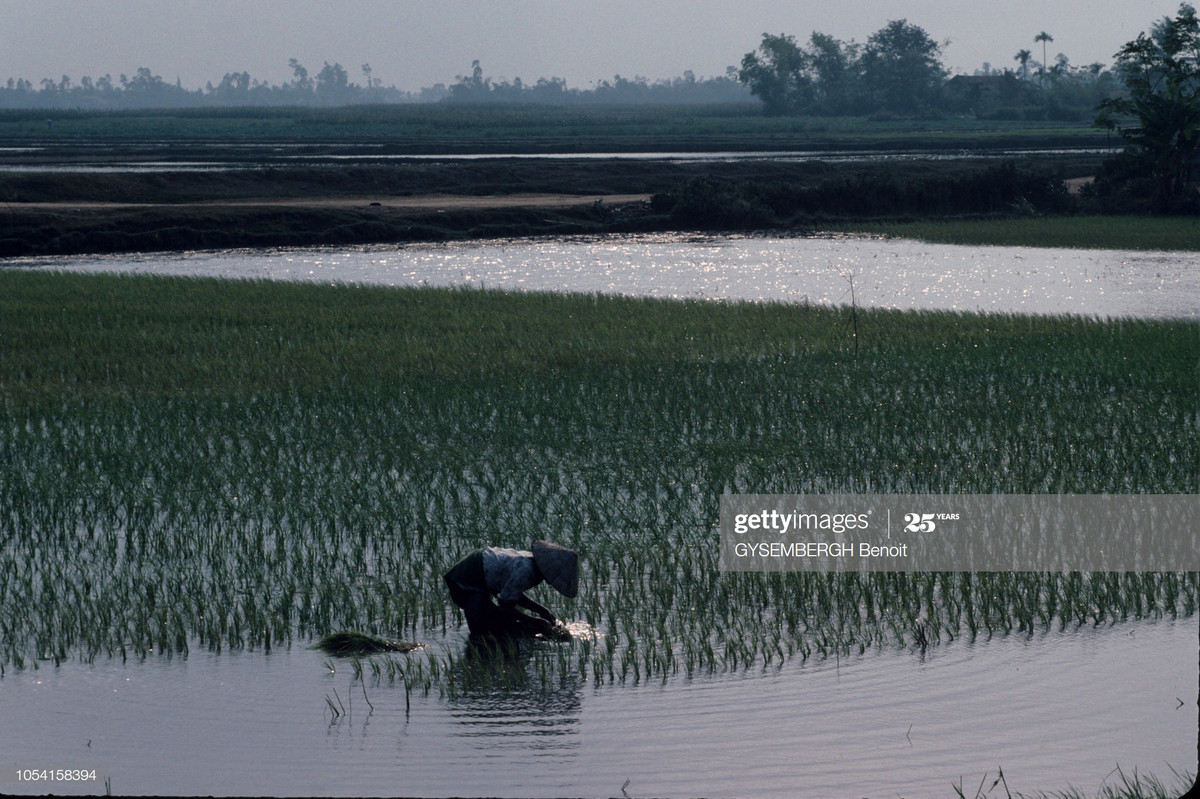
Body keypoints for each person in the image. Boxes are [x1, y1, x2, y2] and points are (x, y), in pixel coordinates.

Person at [443, 539, 578, 638]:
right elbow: (505, 606)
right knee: (491, 630)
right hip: (464, 581)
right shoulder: (527, 571)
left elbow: (511, 593)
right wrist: (536, 621)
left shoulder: (531, 561)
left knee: (499, 626)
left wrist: (542, 610)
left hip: (477, 575)